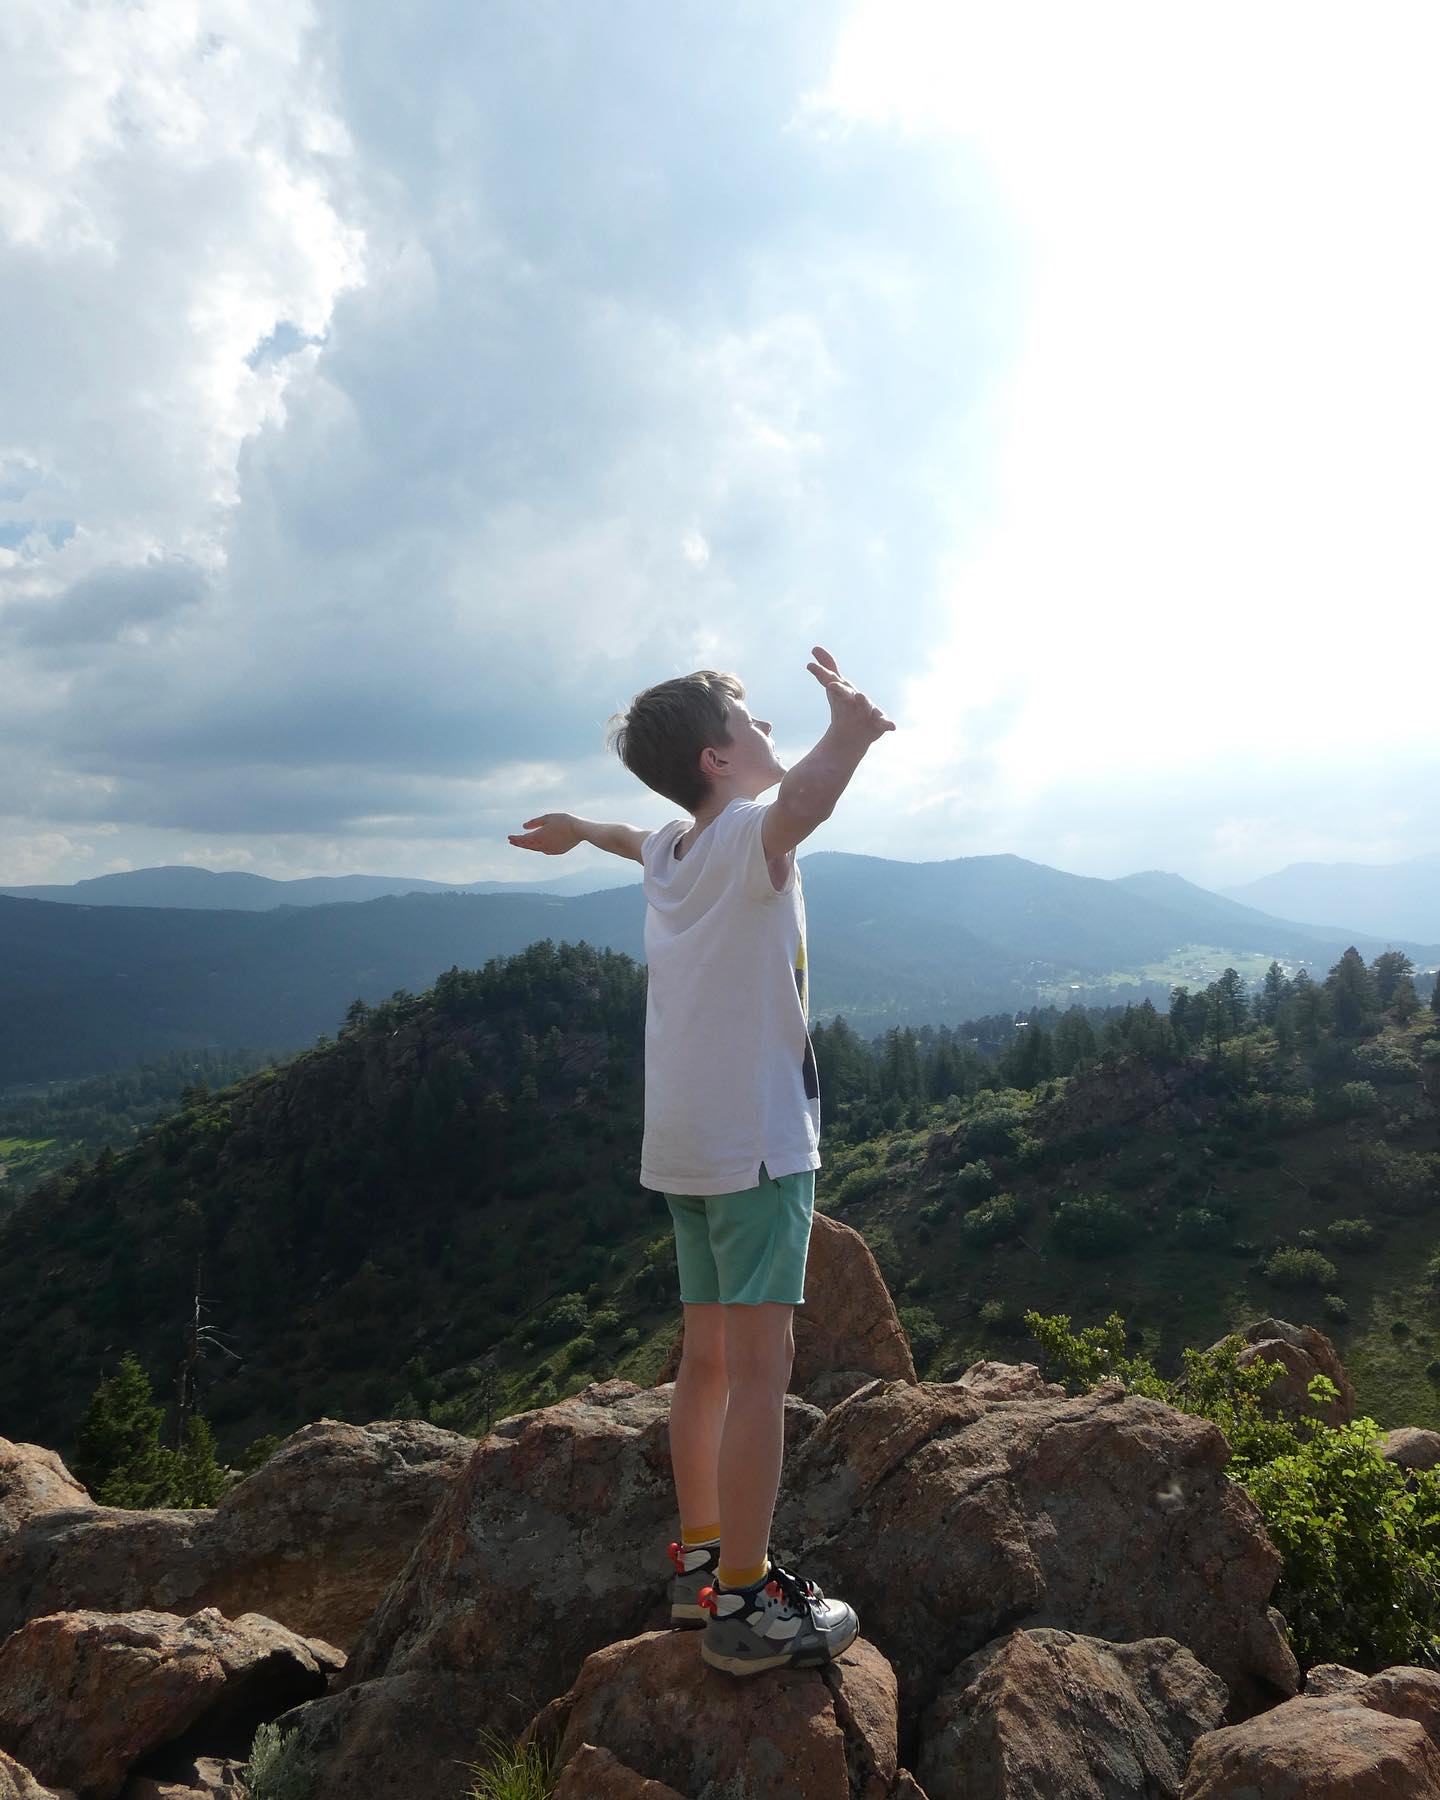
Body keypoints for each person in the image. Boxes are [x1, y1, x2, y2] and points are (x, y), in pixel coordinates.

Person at [508, 644, 894, 1675]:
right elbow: (805, 803)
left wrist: (577, 828)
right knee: (763, 1375)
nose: (769, 728)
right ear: (720, 759)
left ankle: (699, 1568)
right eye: (754, 719)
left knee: (708, 1364)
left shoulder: (676, 851)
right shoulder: (739, 844)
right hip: (757, 1146)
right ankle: (746, 1604)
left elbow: (629, 833)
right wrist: (850, 732)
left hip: (682, 1148)